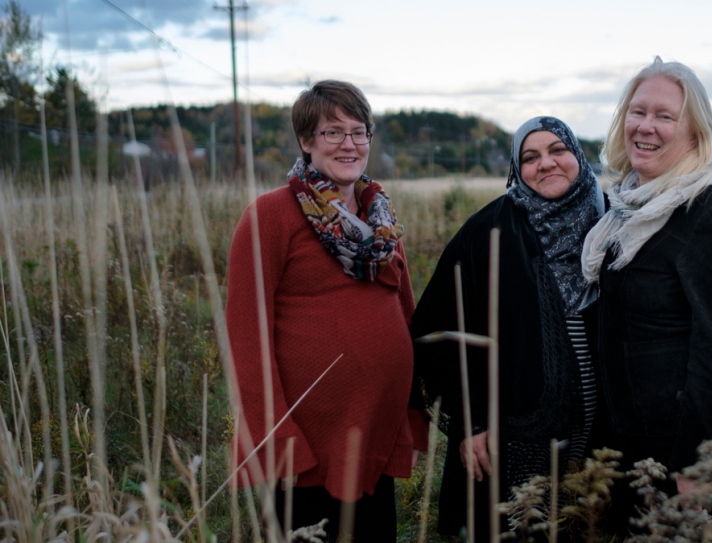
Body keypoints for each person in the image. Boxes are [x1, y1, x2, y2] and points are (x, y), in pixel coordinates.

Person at [226, 80, 427, 541]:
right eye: (333, 132)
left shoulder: (381, 220)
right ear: (306, 141)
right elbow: (245, 335)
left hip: (374, 432)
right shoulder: (270, 215)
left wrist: (412, 423)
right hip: (308, 449)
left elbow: (405, 316)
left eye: (359, 132)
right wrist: (279, 443)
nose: (349, 144)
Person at [581, 57, 712, 529]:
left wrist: (697, 468)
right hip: (629, 443)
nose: (646, 126)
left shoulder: (710, 212)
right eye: (638, 112)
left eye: (665, 116)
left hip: (681, 451)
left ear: (695, 134)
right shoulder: (625, 207)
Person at [411, 116, 605, 540]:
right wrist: (470, 422)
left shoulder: (610, 224)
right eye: (530, 157)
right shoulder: (489, 231)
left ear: (578, 155)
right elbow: (440, 334)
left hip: (600, 440)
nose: (547, 163)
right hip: (511, 442)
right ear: (517, 170)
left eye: (558, 150)